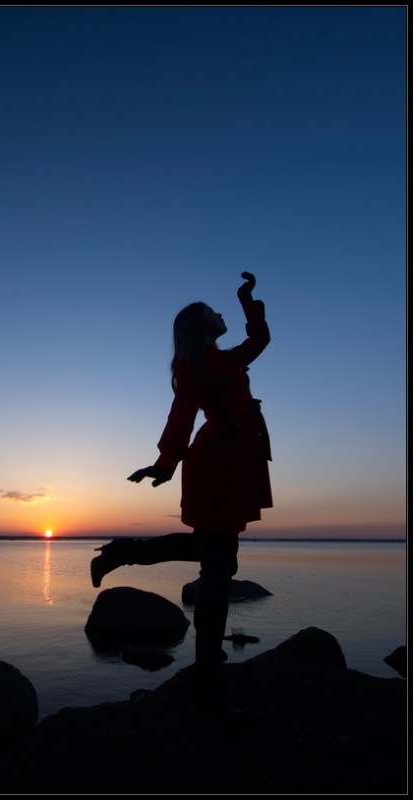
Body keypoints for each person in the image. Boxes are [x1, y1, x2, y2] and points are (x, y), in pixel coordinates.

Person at [90, 272, 272, 711]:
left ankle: (120, 553)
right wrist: (166, 461)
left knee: (212, 553)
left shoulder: (224, 358)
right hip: (216, 465)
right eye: (214, 311)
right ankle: (207, 676)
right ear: (198, 324)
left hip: (234, 463)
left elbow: (261, 340)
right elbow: (182, 412)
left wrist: (247, 301)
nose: (221, 314)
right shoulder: (195, 364)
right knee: (218, 567)